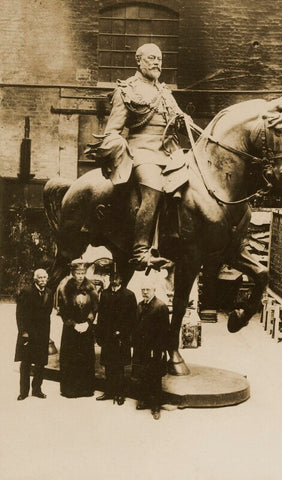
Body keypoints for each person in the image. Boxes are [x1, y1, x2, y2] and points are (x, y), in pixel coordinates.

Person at [94, 43, 188, 271]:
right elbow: (112, 131)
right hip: (141, 151)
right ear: (139, 61)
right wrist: (119, 149)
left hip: (169, 151)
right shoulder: (127, 90)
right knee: (154, 186)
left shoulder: (164, 92)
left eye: (160, 59)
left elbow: (180, 120)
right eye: (151, 58)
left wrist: (186, 122)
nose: (157, 63)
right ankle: (140, 251)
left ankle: (174, 240)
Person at [58, 260, 99, 398]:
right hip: (71, 330)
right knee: (71, 358)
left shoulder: (91, 287)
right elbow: (62, 310)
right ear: (73, 273)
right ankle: (70, 389)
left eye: (82, 273)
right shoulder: (65, 288)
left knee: (86, 358)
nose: (81, 276)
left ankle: (85, 389)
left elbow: (95, 308)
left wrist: (88, 322)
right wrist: (74, 324)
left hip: (86, 329)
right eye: (78, 273)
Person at [95, 272, 137, 405]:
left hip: (121, 337)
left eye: (117, 279)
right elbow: (101, 315)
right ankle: (109, 391)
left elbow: (132, 318)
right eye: (112, 278)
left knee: (119, 367)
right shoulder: (105, 294)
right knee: (108, 365)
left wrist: (123, 332)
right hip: (107, 336)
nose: (114, 281)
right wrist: (100, 334)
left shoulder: (129, 295)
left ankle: (120, 394)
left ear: (121, 280)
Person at [132, 277, 170, 420]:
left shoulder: (161, 306)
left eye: (148, 290)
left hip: (155, 349)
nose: (145, 292)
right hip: (141, 348)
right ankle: (144, 400)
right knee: (142, 374)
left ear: (154, 290)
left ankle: (155, 407)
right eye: (143, 290)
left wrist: (159, 350)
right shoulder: (140, 305)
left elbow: (164, 331)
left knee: (154, 377)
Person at [14, 269, 54, 400]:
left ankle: (37, 389)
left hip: (42, 333)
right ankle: (23, 392)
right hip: (28, 333)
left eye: (45, 277)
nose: (43, 280)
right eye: (40, 277)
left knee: (40, 362)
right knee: (25, 363)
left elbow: (47, 314)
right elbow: (20, 314)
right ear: (35, 279)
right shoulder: (27, 291)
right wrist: (23, 332)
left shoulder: (49, 292)